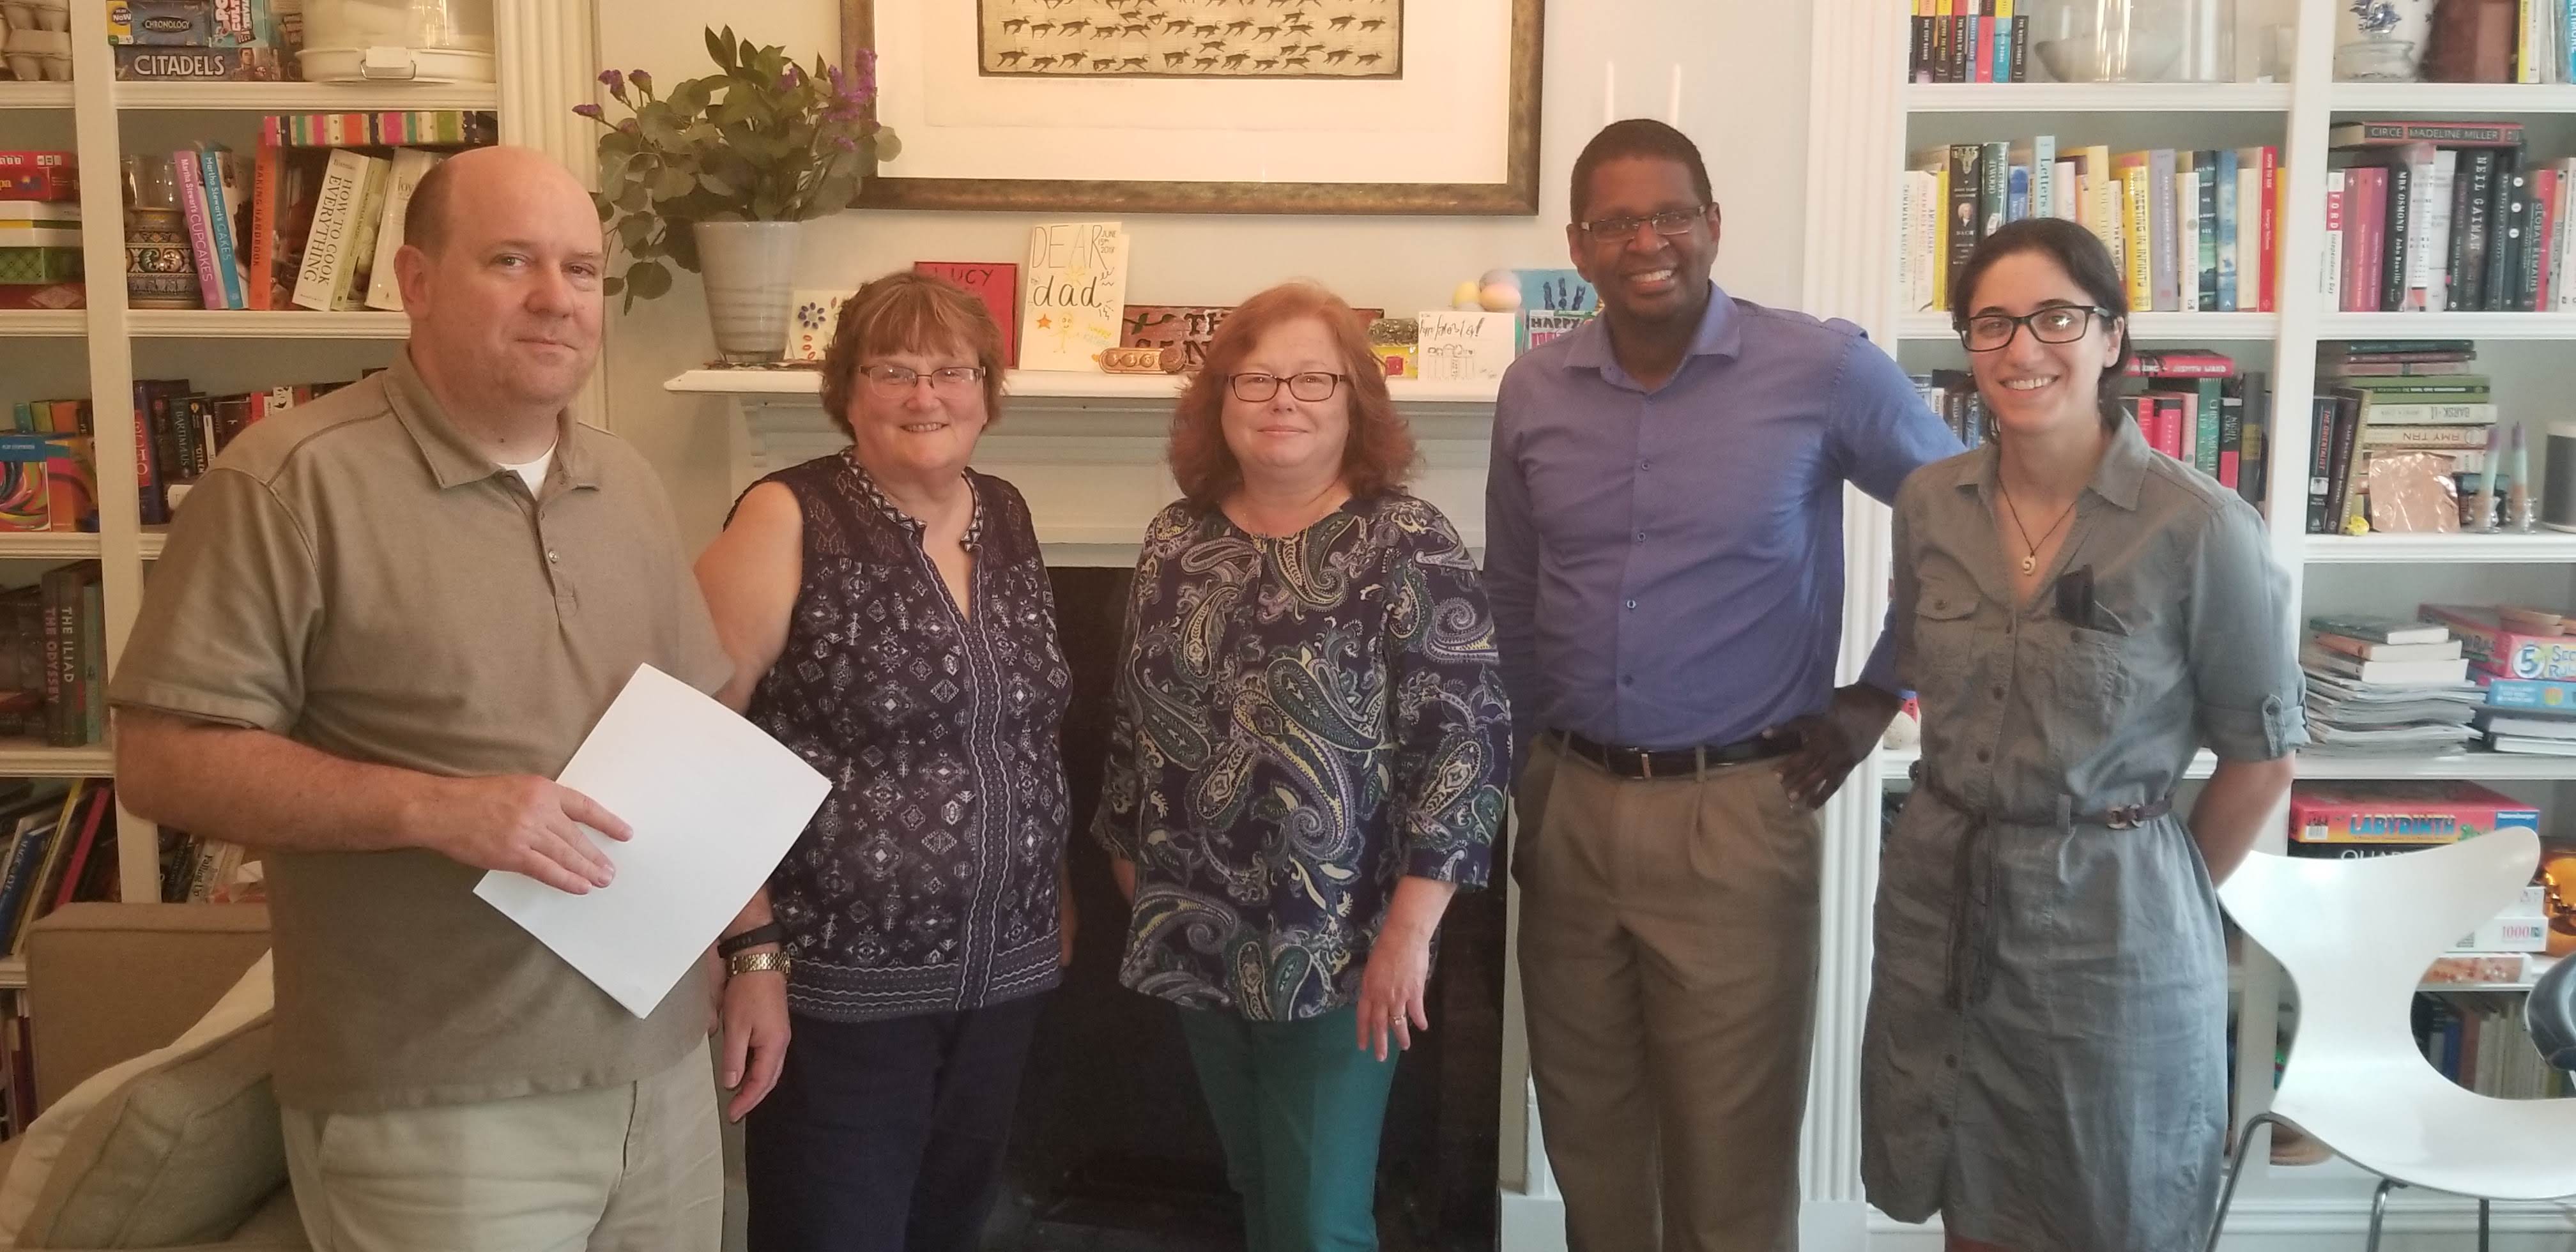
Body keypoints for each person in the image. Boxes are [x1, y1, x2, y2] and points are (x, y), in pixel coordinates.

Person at [107, 146, 735, 1249]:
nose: (557, 298)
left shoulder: (626, 481)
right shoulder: (288, 482)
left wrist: (752, 951)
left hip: (662, 1069)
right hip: (435, 1105)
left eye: (582, 270)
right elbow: (163, 762)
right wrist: (436, 808)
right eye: (512, 261)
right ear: (416, 281)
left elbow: (699, 744)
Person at [1485, 118, 1963, 1251]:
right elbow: (1511, 591)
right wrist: (1520, 781)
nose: (1646, 242)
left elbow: (1967, 520)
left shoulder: (1823, 370)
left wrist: (1878, 692)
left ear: (1713, 224)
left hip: (1741, 811)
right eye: (1615, 223)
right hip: (1570, 807)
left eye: (1670, 215)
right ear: (1578, 245)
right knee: (1593, 1152)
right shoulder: (1534, 390)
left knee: (1730, 1172)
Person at [1861, 217, 2303, 1252]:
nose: (2023, 348)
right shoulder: (1929, 506)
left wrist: (2143, 878)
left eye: (2057, 318)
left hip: (2112, 937)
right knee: (1966, 1201)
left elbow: (2263, 756)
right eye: (1993, 323)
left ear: (2111, 337)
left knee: (2111, 1211)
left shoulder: (2200, 528)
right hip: (1940, 909)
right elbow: (1923, 673)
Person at [1094, 281, 1510, 1252]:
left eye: (1314, 379)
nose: (1284, 399)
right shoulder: (1175, 540)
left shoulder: (1408, 543)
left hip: (1341, 943)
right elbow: (1133, 718)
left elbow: (1468, 747)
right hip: (1193, 927)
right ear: (1222, 401)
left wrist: (1410, 933)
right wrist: (1131, 863)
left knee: (1320, 1220)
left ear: (1355, 401)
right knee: (1257, 1186)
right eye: (1257, 379)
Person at [693, 271, 1074, 1252]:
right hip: (836, 988)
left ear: (986, 390)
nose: (925, 396)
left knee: (950, 1230)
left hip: (1005, 977)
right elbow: (693, 741)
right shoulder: (786, 515)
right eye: (893, 370)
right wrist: (750, 949)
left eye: (952, 371)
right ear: (847, 390)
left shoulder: (1007, 513)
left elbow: (1021, 734)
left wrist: (1057, 894)